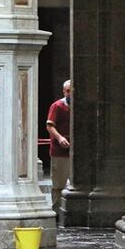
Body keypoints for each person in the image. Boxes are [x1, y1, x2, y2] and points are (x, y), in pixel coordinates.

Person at [45, 79, 72, 220]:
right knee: (59, 184)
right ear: (63, 92)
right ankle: (56, 212)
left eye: (72, 91)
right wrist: (60, 138)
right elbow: (50, 125)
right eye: (68, 91)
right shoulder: (57, 106)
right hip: (60, 151)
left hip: (75, 151)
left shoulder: (79, 106)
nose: (70, 93)